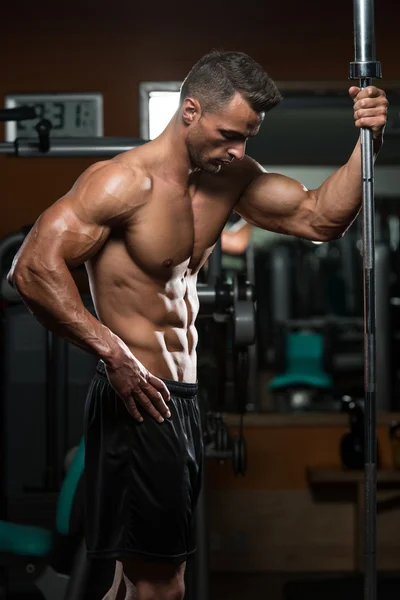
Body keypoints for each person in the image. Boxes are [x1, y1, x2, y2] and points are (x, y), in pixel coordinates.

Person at [8, 49, 387, 600]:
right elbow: (32, 268)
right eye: (229, 134)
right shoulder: (122, 183)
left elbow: (318, 217)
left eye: (248, 138)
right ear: (189, 111)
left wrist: (367, 145)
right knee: (163, 586)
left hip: (180, 400)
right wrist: (113, 355)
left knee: (132, 581)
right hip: (139, 400)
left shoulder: (229, 179)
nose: (238, 151)